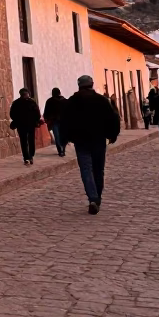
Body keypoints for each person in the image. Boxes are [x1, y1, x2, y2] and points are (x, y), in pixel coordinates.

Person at [62, 75, 120, 215]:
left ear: (79, 85)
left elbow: (64, 121)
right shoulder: (102, 101)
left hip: (81, 141)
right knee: (98, 170)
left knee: (86, 169)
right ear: (92, 84)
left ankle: (92, 198)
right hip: (98, 140)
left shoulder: (72, 102)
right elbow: (113, 118)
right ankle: (97, 198)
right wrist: (112, 135)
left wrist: (67, 137)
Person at [10, 88, 42, 165]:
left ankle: (26, 157)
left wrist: (17, 120)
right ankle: (30, 156)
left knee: (23, 141)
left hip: (21, 125)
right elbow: (37, 114)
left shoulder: (16, 103)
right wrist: (36, 120)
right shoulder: (32, 102)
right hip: (30, 124)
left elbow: (12, 114)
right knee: (30, 140)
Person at [43, 87, 68, 157]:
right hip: (63, 121)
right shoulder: (65, 101)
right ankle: (63, 149)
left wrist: (46, 119)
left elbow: (46, 112)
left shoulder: (50, 101)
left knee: (57, 136)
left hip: (54, 121)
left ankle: (60, 150)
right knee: (63, 136)